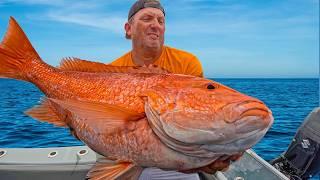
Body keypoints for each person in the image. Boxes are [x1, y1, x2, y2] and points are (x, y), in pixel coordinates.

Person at [110, 0, 242, 179]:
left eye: (160, 21)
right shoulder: (110, 71)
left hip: (172, 157)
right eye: (147, 18)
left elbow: (200, 118)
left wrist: (213, 153)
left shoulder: (187, 63)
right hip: (121, 153)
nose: (155, 25)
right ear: (128, 29)